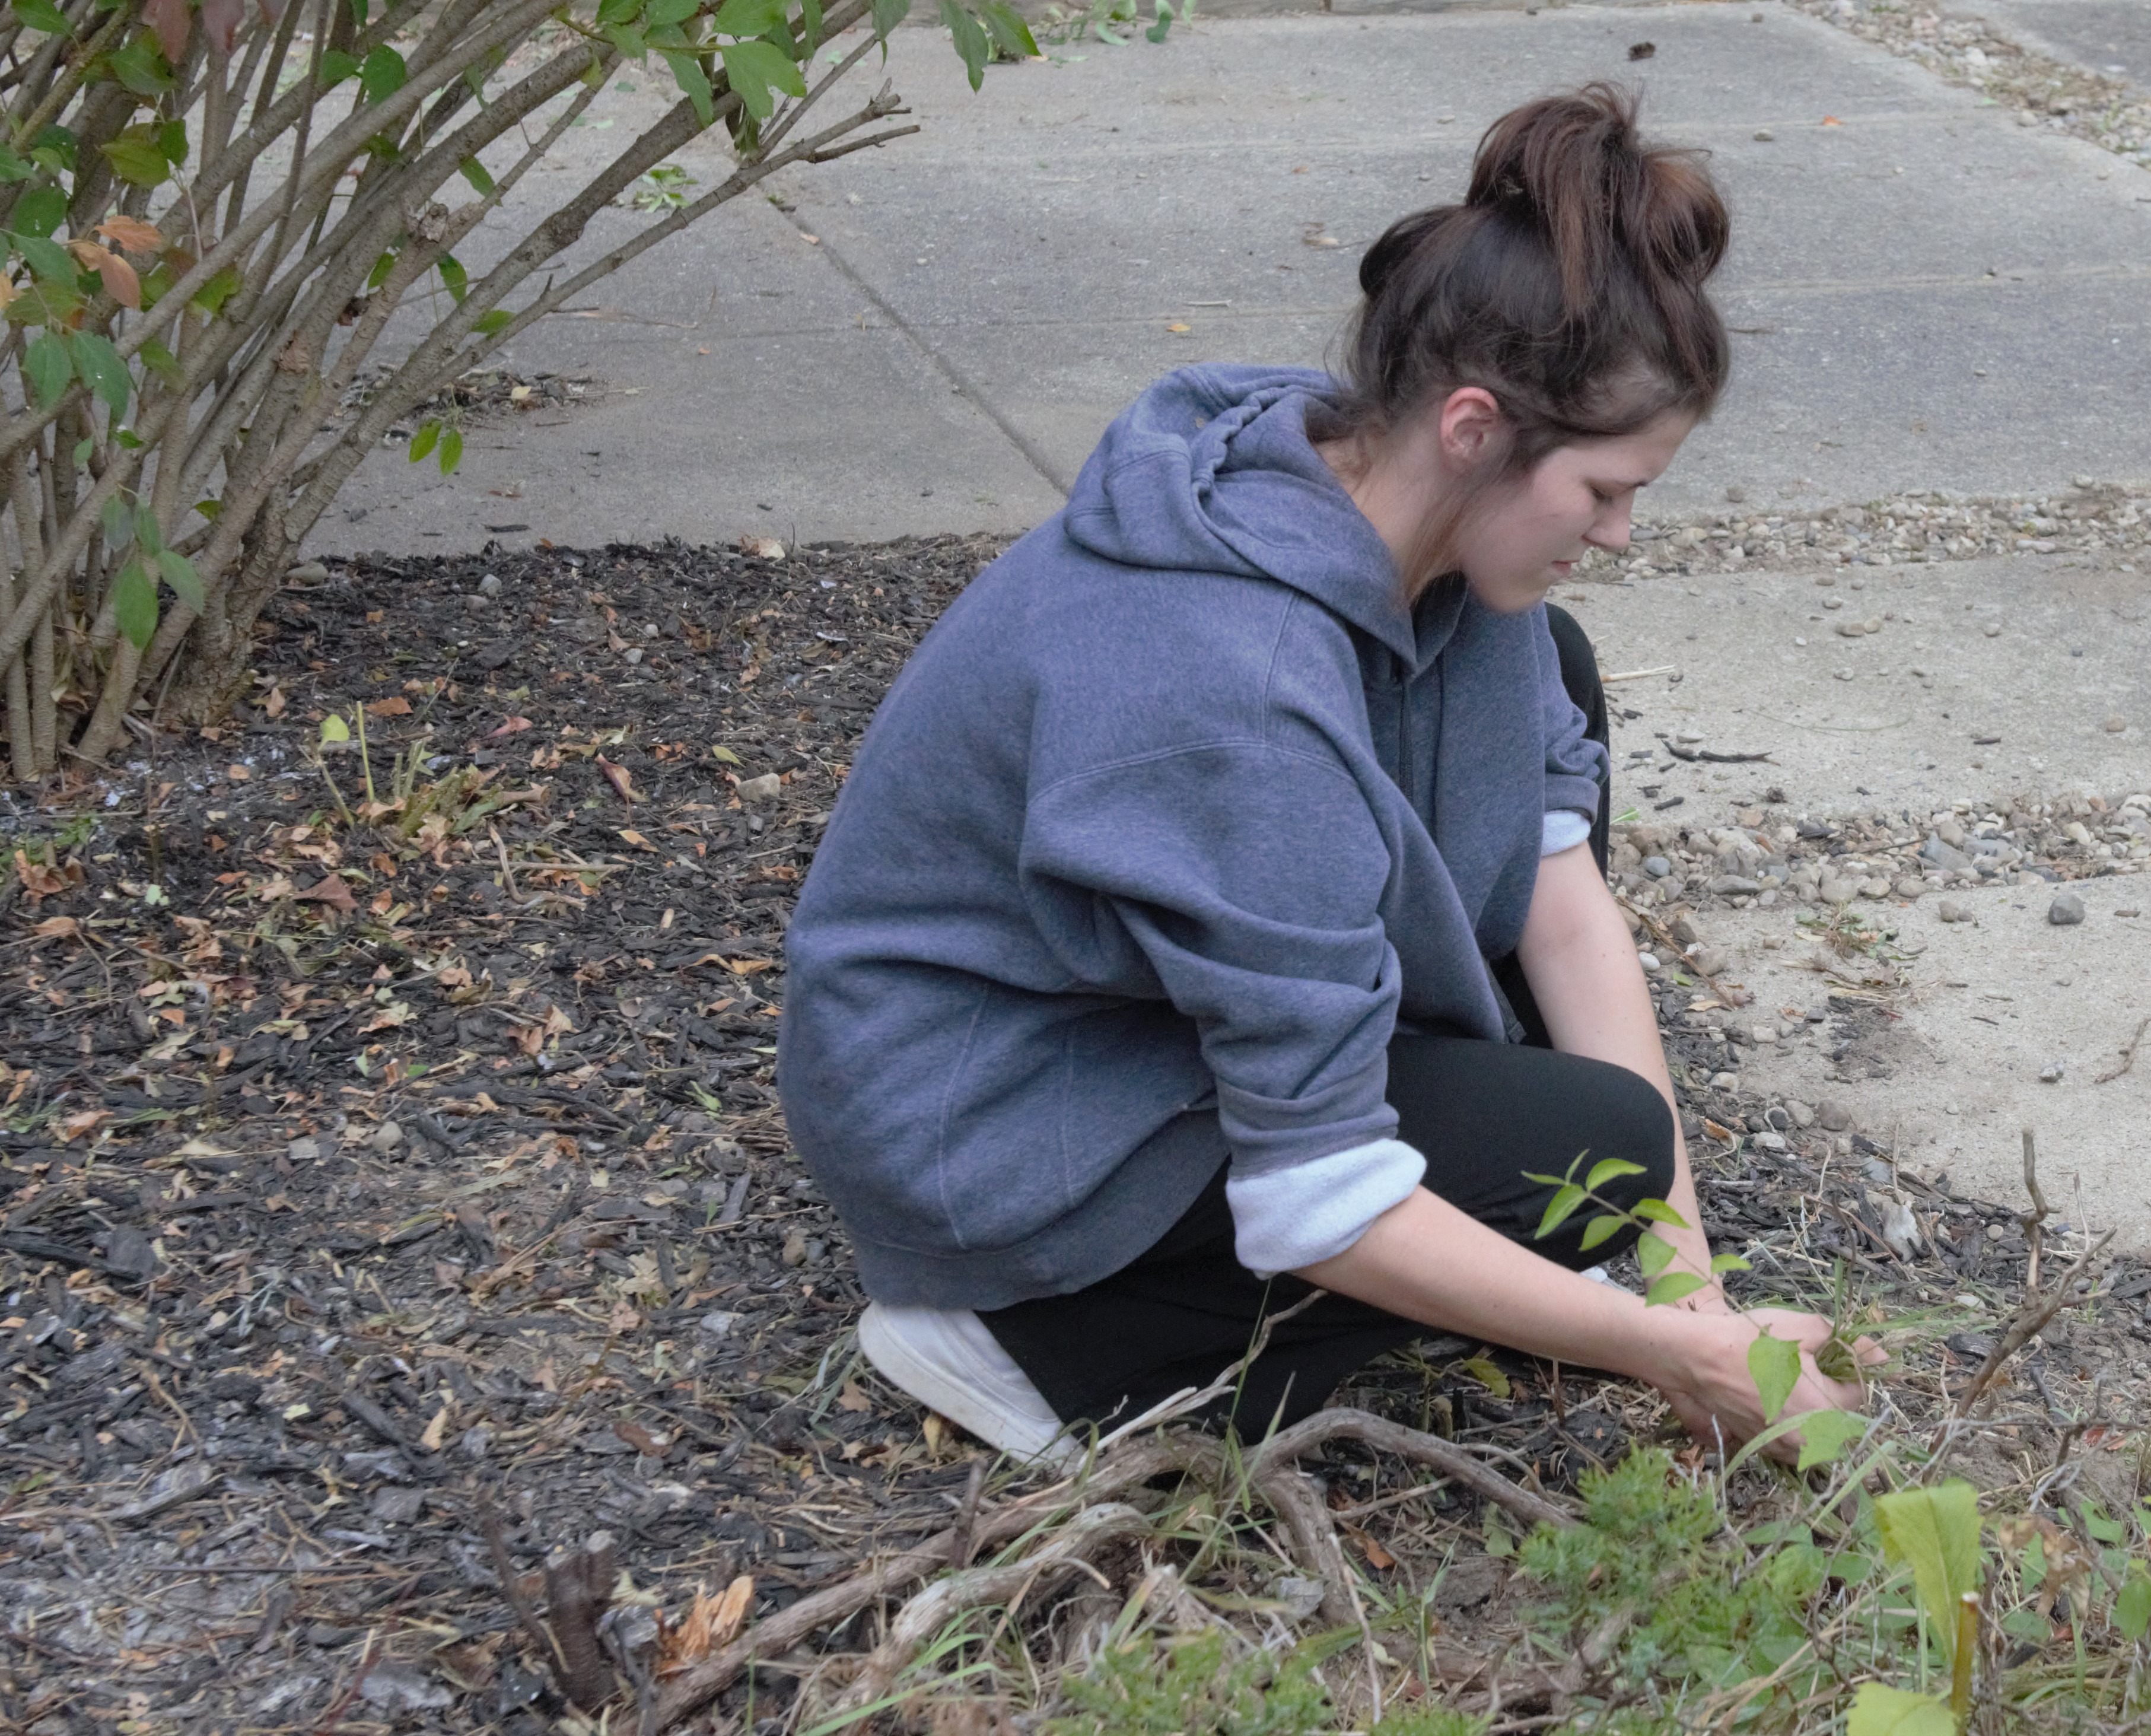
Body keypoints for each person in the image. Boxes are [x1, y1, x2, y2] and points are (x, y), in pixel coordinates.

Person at [782, 82, 1879, 1468]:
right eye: (1603, 491)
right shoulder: (1232, 687)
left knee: (1566, 701)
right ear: (1475, 426)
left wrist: (1688, 1288)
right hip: (987, 1113)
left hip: (1127, 1015)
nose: (1614, 533)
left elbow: (1562, 909)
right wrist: (1679, 1359)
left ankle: (1478, 1230)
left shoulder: (1405, 515)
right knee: (1581, 1146)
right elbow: (1315, 1195)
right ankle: (1041, 1342)